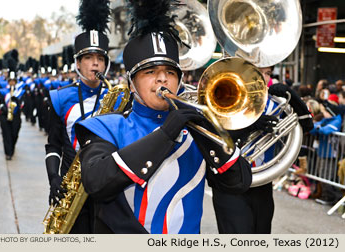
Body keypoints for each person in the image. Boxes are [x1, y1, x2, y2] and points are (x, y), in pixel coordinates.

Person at [74, 0, 252, 234]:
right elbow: (96, 182)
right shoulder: (106, 127)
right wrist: (166, 133)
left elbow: (238, 182)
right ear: (131, 83)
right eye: (150, 72)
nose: (162, 79)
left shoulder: (195, 130)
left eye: (170, 72)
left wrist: (209, 131)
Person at [212, 64, 314, 234]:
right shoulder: (224, 99)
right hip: (230, 183)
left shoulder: (274, 104)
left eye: (267, 73)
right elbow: (214, 139)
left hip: (262, 183)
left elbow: (307, 125)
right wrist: (248, 126)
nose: (263, 78)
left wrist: (292, 97)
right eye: (257, 72)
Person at [44, 0, 112, 233]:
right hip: (71, 186)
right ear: (78, 63)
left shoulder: (118, 98)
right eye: (89, 58)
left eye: (100, 58)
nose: (95, 64)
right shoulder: (60, 97)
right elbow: (53, 144)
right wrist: (54, 177)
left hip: (107, 188)